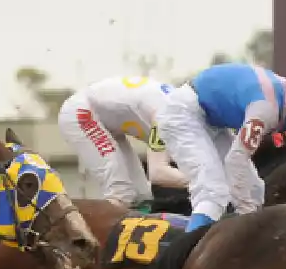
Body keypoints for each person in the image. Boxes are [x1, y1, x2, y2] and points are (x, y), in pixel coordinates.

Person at [155, 55, 286, 231]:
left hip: (212, 120)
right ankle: (185, 263)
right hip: (183, 112)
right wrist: (248, 221)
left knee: (254, 189)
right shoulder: (266, 108)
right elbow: (236, 160)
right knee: (212, 190)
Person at [57, 75, 189, 211]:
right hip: (82, 111)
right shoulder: (167, 116)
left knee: (142, 195)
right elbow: (158, 173)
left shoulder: (180, 113)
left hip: (105, 115)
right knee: (120, 192)